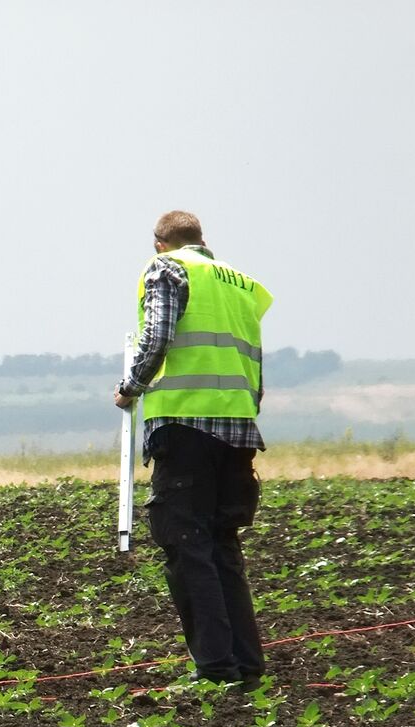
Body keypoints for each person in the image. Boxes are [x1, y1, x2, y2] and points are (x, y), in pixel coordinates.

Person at [114, 210, 272, 687]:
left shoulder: (167, 269)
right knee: (223, 545)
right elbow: (256, 364)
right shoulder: (242, 284)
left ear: (160, 244)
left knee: (187, 545)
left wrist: (131, 385)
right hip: (238, 428)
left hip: (185, 424)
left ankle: (216, 668)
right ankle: (246, 666)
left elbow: (158, 335)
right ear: (203, 239)